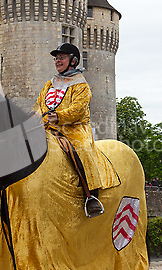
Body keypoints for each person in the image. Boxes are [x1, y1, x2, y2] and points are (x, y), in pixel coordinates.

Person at [34, 43, 120, 218]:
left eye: (62, 57)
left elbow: (78, 110)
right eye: (56, 58)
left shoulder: (81, 85)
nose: (58, 61)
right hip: (48, 127)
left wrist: (59, 117)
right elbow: (39, 105)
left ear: (72, 61)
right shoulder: (49, 84)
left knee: (83, 149)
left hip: (75, 129)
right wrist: (33, 117)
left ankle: (91, 196)